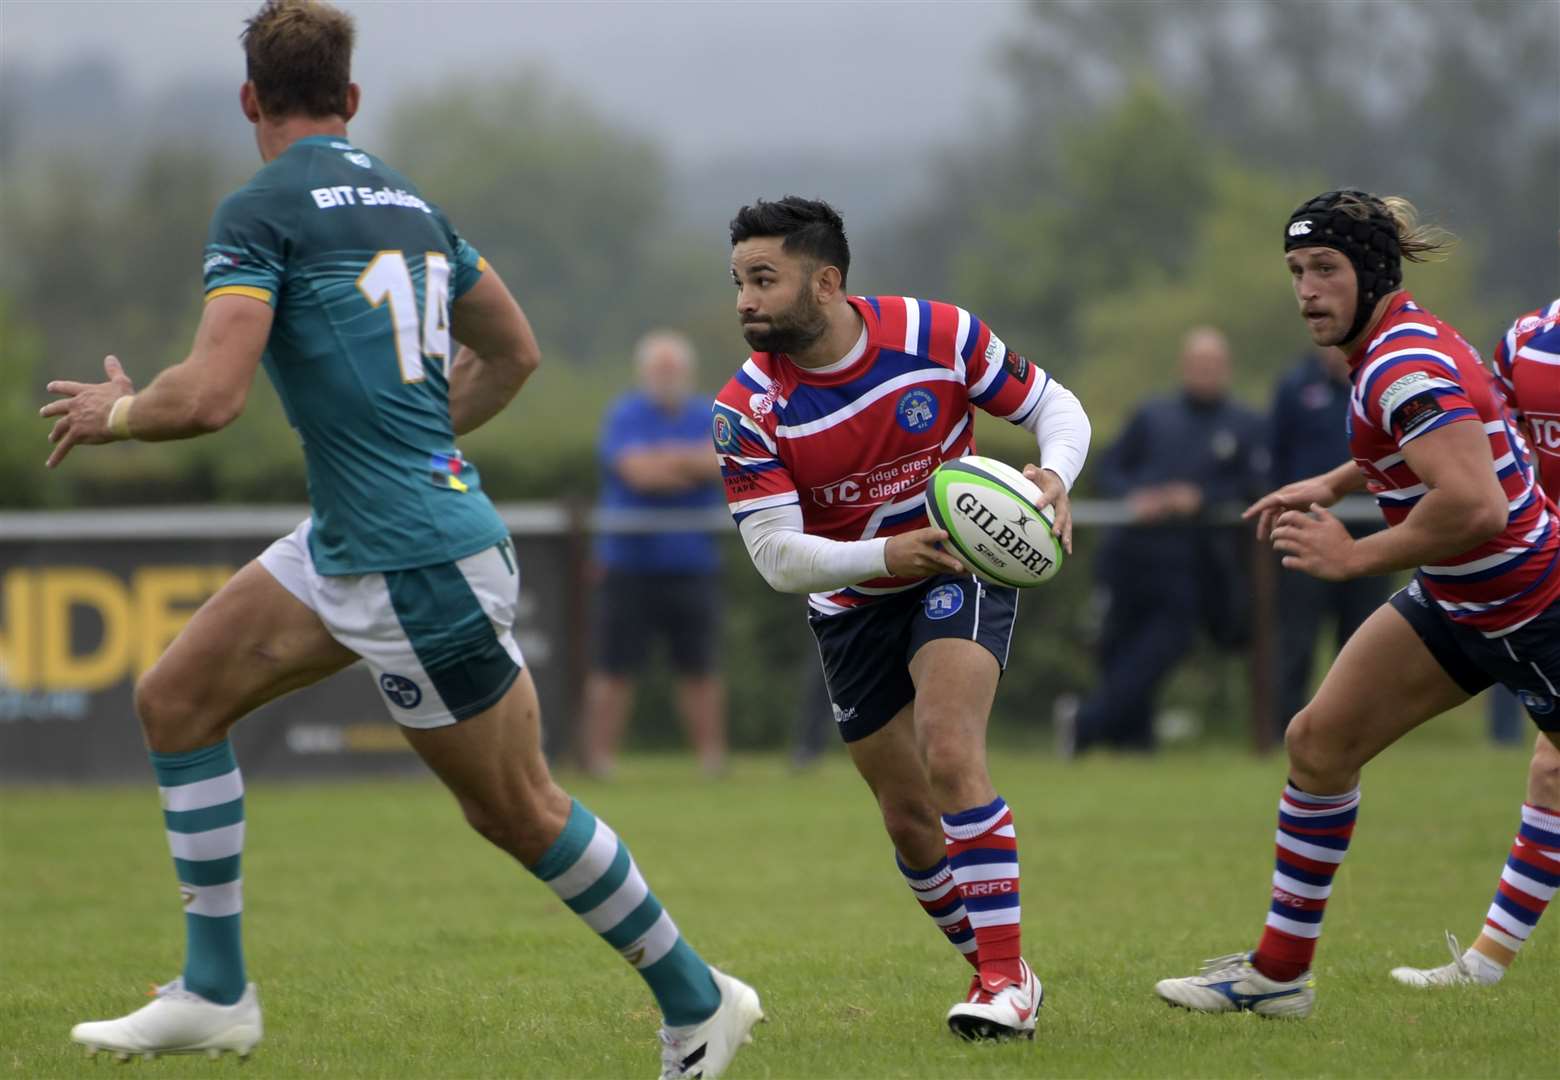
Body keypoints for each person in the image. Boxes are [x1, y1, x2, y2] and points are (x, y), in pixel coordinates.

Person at [42, 4, 761, 1074]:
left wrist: (122, 413)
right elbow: (514, 354)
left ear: (250, 100)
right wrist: (413, 438)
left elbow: (210, 398)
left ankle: (701, 1000)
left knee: (517, 808)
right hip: (358, 536)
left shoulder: (261, 208)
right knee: (175, 699)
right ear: (353, 99)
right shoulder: (408, 203)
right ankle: (214, 988)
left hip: (417, 561)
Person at [1153, 190, 1560, 1019]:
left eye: (1326, 269)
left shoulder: (1402, 362)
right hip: (1462, 604)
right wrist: (1340, 481)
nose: (1306, 289)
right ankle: (1278, 973)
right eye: (1297, 271)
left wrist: (1355, 553)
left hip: (1534, 609)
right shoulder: (1399, 344)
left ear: (1373, 271)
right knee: (1319, 741)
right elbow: (1457, 437)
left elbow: (1475, 505)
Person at [714, 196, 1091, 1040]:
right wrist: (886, 556)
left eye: (764, 279)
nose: (744, 300)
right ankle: (1003, 969)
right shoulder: (747, 409)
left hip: (959, 566)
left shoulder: (938, 335)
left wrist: (1056, 475)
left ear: (827, 280)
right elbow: (776, 556)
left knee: (951, 750)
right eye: (738, 281)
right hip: (853, 599)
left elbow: (1056, 408)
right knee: (909, 819)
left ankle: (1002, 986)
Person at [1388, 296, 1560, 988]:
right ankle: (1486, 964)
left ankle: (1486, 964)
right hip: (1524, 580)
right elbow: (1489, 448)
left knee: (1552, 769)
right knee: (1321, 736)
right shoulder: (1526, 342)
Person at [1060, 327, 1266, 755]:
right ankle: (1133, 742)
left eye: (1213, 365)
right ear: (1184, 366)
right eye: (1198, 364)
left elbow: (1256, 484)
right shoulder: (1152, 415)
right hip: (1130, 553)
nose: (1205, 372)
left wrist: (1200, 499)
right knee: (1119, 645)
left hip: (1191, 562)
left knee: (1165, 646)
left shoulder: (1245, 424)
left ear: (1226, 369)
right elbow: (1110, 470)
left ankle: (1087, 723)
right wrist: (1136, 496)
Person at [581, 329, 727, 779]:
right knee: (613, 666)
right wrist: (688, 465)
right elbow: (637, 473)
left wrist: (667, 460)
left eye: (674, 368)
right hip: (628, 563)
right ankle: (598, 761)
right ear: (644, 373)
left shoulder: (710, 412)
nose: (667, 376)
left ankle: (712, 761)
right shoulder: (624, 414)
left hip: (692, 563)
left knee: (700, 667)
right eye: (659, 369)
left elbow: (721, 463)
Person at [1267, 346, 1389, 737]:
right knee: (1298, 636)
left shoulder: (1376, 386)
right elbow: (1275, 455)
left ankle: (1355, 731)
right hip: (1309, 526)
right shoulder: (1294, 386)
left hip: (1371, 527)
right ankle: (1286, 729)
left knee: (1362, 636)